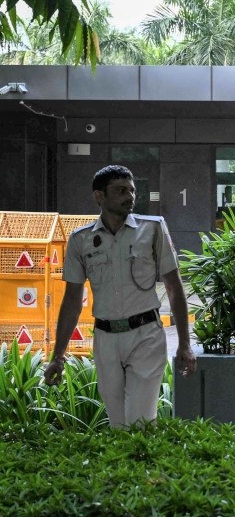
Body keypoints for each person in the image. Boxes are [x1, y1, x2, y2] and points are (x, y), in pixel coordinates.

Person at [43, 165, 197, 427]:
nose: (130, 196)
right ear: (99, 196)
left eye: (132, 190)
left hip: (146, 335)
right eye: (121, 190)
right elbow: (72, 301)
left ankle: (142, 465)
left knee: (139, 420)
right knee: (118, 424)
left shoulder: (153, 229)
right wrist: (58, 356)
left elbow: (174, 288)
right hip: (105, 340)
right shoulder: (80, 240)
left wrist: (184, 344)